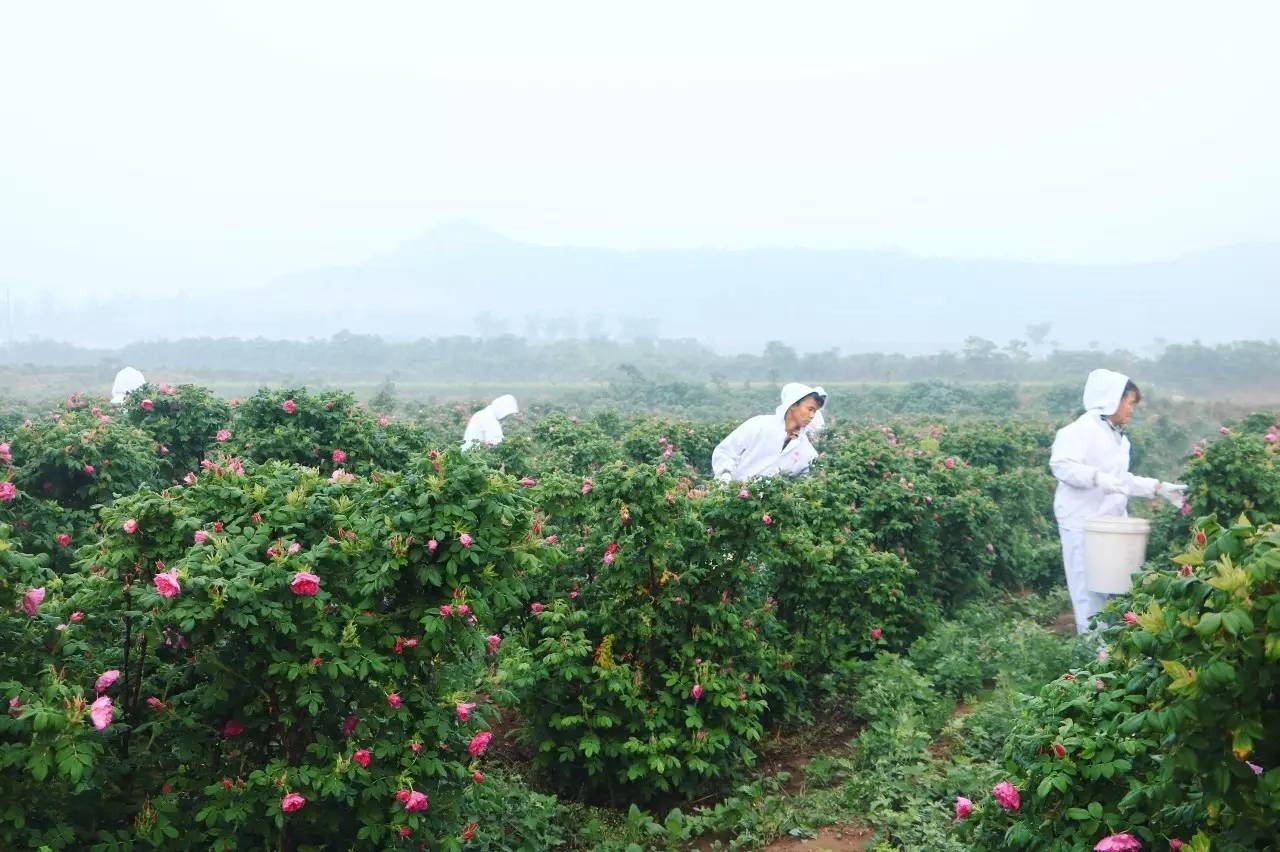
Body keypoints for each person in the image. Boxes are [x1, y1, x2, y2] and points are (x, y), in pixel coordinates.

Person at [1049, 369, 1185, 634]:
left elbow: (1121, 480)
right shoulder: (1078, 431)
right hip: (1083, 524)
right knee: (1089, 594)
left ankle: (1112, 656)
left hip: (1111, 525)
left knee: (1116, 591)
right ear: (1112, 399)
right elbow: (1062, 466)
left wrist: (1158, 488)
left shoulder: (1118, 437)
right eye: (1130, 403)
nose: (1131, 410)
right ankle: (1091, 659)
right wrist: (1096, 478)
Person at [712, 383, 827, 481]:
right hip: (735, 495)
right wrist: (725, 479)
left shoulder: (806, 449)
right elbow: (726, 452)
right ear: (793, 405)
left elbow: (805, 479)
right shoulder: (759, 425)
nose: (812, 416)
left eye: (815, 411)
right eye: (810, 409)